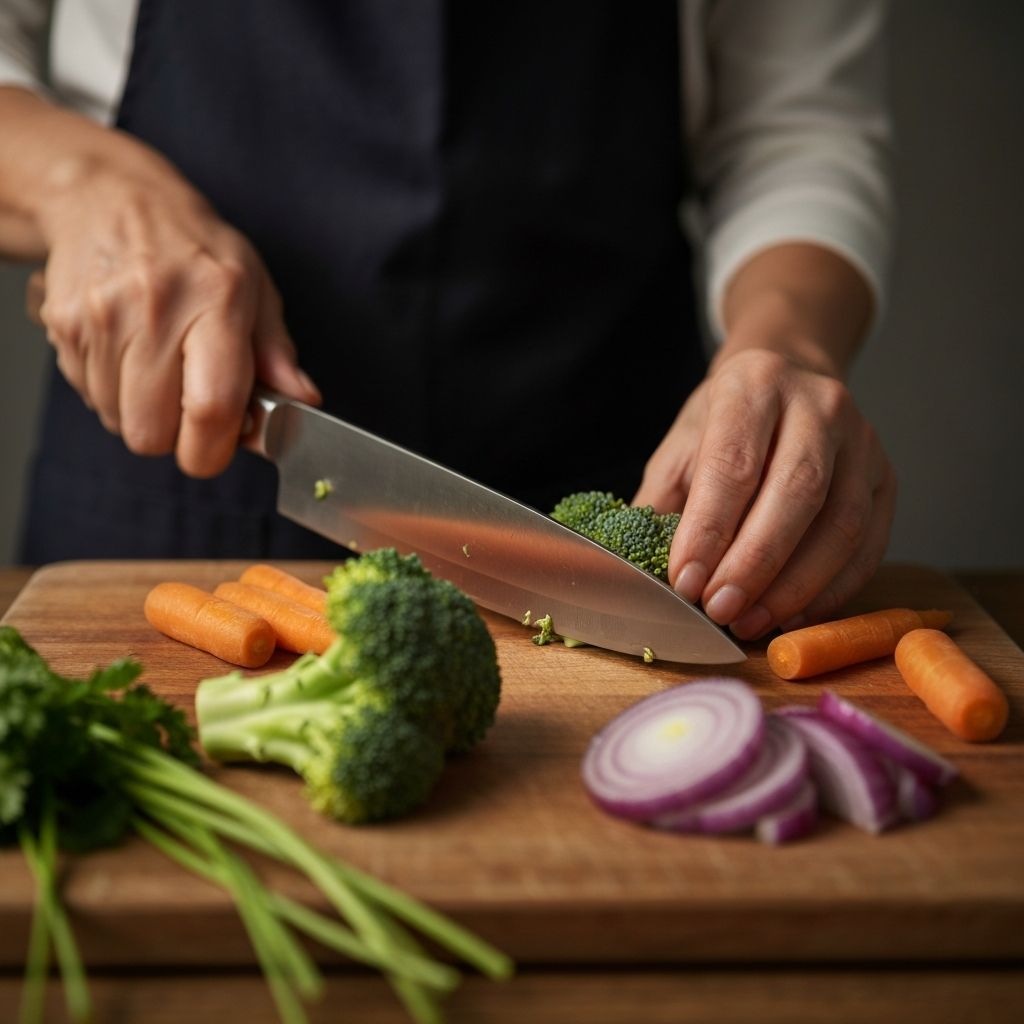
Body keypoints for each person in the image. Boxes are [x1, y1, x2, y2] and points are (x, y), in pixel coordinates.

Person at [0, 0, 895, 642]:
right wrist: (80, 186)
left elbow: (796, 127)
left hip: (624, 477)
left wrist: (787, 341)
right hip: (176, 477)